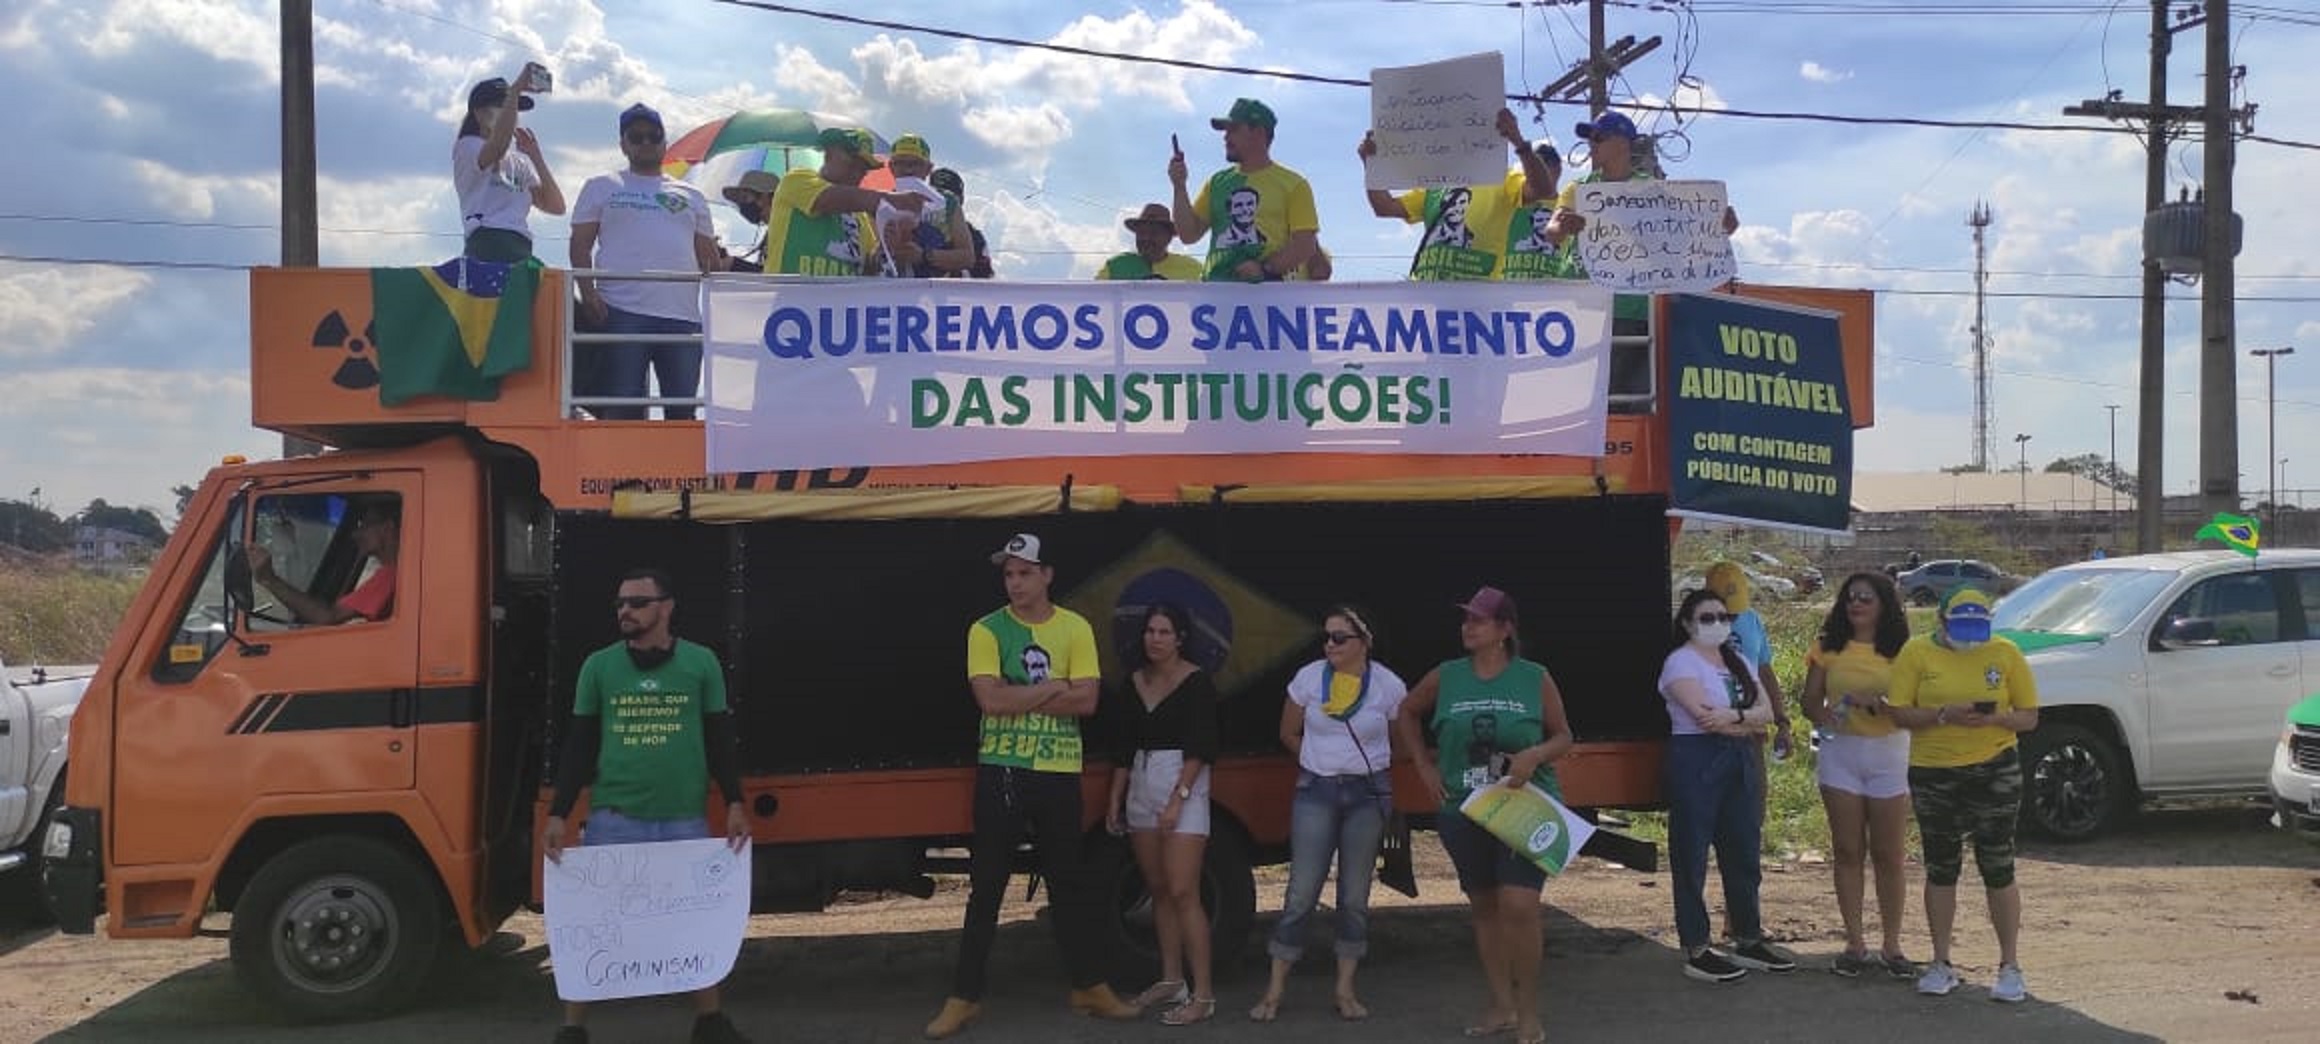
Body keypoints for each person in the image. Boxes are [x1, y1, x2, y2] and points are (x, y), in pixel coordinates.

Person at [926, 533, 1138, 1039]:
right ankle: (964, 997)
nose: (1015, 583)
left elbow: (1087, 702)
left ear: (1047, 575)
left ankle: (1089, 986)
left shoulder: (1075, 628)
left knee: (1069, 883)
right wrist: (1054, 687)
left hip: (1059, 770)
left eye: (1024, 573)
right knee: (987, 887)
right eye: (1008, 574)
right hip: (1002, 769)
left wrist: (1020, 690)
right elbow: (990, 702)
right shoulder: (986, 629)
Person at [541, 568, 751, 1044]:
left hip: (683, 820)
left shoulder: (701, 663)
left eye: (637, 602)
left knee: (691, 923)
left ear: (666, 607)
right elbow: (579, 745)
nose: (625, 611)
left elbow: (719, 739)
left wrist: (736, 801)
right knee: (599, 924)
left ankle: (710, 1024)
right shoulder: (598, 667)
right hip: (616, 819)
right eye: (619, 604)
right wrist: (558, 813)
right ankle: (572, 1029)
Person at [1397, 587, 1571, 1044]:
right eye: (1466, 619)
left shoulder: (1534, 677)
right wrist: (1423, 765)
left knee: (1520, 904)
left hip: (1524, 804)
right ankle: (1501, 1005)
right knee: (1486, 906)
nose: (1468, 626)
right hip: (1464, 805)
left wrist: (1533, 755)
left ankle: (1529, 1011)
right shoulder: (1446, 676)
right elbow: (1407, 712)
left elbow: (1564, 736)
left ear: (1504, 629)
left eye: (1479, 619)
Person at [1880, 588, 2040, 1003]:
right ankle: (1941, 962)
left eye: (1977, 629)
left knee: (1998, 864)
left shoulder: (2005, 653)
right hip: (1934, 772)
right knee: (1941, 866)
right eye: (1961, 628)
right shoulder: (1916, 653)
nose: (1970, 639)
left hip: (1995, 767)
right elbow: (1898, 712)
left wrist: (1996, 718)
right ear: (1942, 621)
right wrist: (1942, 714)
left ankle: (2009, 965)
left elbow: (2029, 717)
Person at [1249, 606, 1407, 1023]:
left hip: (1366, 795)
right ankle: (1274, 989)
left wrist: (1364, 769)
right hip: (1316, 791)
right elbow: (1288, 732)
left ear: (1364, 641)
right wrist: (1318, 761)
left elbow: (1398, 742)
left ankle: (1345, 988)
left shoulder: (1388, 685)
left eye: (1339, 637)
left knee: (1354, 894)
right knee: (1301, 891)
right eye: (1327, 637)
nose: (1329, 645)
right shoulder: (1308, 678)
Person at [1657, 589, 1795, 983]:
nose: (1718, 624)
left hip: (1740, 760)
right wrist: (1746, 719)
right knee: (1692, 854)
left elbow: (1765, 712)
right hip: (1697, 759)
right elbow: (1704, 717)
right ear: (1688, 624)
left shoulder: (1738, 661)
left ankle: (1748, 937)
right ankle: (1697, 947)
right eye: (1707, 618)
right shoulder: (1680, 662)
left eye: (1723, 617)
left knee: (1743, 849)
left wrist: (1736, 718)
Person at [1100, 603, 1222, 1026]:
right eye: (1150, 631)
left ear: (1180, 638)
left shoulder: (1197, 682)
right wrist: (1115, 798)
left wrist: (1178, 798)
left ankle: (1203, 995)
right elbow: (1122, 748)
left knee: (1184, 890)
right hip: (1141, 779)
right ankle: (1172, 979)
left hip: (1181, 780)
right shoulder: (1134, 682)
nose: (1155, 639)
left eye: (1164, 632)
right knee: (1158, 888)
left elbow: (1203, 745)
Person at [1797, 572, 1918, 979]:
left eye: (1866, 598)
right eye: (1850, 598)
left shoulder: (1905, 651)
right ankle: (1854, 943)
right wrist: (1824, 715)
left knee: (1889, 854)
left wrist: (1882, 705)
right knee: (1848, 850)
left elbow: (1916, 707)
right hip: (1841, 755)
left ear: (1884, 604)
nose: (1856, 604)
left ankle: (1892, 946)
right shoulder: (1827, 646)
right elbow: (1809, 700)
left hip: (1890, 755)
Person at [569, 103, 719, 421]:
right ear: (623, 144)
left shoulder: (692, 195)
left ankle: (679, 459)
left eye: (654, 136)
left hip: (681, 316)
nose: (646, 142)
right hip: (621, 311)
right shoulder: (600, 186)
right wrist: (589, 293)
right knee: (622, 405)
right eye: (637, 137)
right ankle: (618, 458)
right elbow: (579, 246)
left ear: (665, 141)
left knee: (683, 410)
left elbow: (709, 261)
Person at [1359, 109, 1559, 281]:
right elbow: (1384, 207)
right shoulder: (1436, 184)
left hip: (1476, 304)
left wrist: (1519, 143)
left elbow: (1542, 189)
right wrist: (1370, 164)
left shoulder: (1502, 179)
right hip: (1428, 301)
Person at [1167, 98, 1320, 283]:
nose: (1225, 137)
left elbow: (1305, 245)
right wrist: (1179, 185)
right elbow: (1188, 234)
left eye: (1233, 129)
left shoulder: (1294, 184)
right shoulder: (1217, 182)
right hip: (1216, 293)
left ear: (1259, 133)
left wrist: (1265, 269)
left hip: (1269, 295)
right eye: (1225, 131)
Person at [762, 127, 926, 277]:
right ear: (830, 153)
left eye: (864, 168)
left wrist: (885, 248)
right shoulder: (796, 180)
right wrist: (892, 200)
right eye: (853, 162)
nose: (859, 172)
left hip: (834, 300)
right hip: (787, 297)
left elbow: (867, 272)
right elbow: (829, 199)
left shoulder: (861, 217)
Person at [453, 67, 564, 262]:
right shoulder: (467, 146)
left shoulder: (519, 161)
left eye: (514, 109)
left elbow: (555, 206)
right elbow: (497, 146)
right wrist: (514, 91)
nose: (512, 113)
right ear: (478, 113)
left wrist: (535, 156)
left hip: (520, 245)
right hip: (486, 241)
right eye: (503, 107)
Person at [247, 499, 398, 625]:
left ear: (388, 527)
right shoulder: (397, 574)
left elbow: (328, 617)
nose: (355, 534)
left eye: (364, 525)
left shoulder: (390, 576)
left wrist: (269, 579)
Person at [1097, 203, 1204, 281]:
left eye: (1154, 233)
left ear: (1169, 237)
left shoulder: (1193, 269)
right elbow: (1094, 296)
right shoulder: (1116, 266)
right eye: (1141, 232)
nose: (1146, 238)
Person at [925, 168, 993, 278]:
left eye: (949, 198)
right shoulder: (917, 225)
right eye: (936, 196)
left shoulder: (976, 238)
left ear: (961, 200)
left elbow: (985, 277)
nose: (943, 202)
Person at [718, 169, 780, 273]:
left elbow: (779, 274)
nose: (742, 206)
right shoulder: (770, 233)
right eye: (739, 202)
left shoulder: (787, 231)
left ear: (765, 197)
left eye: (745, 198)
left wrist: (734, 265)